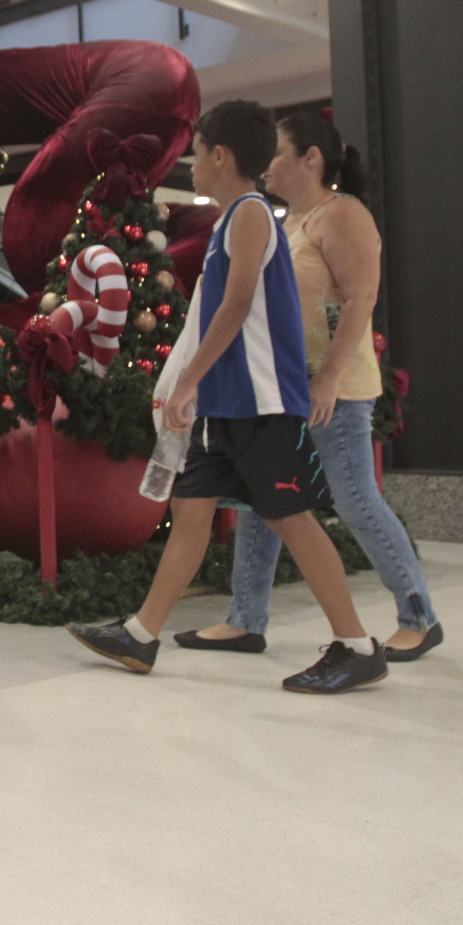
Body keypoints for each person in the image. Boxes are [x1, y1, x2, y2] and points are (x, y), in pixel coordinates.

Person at [66, 99, 387, 694]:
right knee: (191, 512)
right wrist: (193, 386)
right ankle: (140, 634)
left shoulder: (249, 215)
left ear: (219, 155)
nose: (191, 164)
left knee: (291, 519)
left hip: (261, 405)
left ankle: (358, 646)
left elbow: (236, 307)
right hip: (227, 405)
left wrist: (187, 381)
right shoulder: (234, 221)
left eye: (195, 152)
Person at [179, 113, 442, 660]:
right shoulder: (286, 220)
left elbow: (361, 300)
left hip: (333, 390)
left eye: (277, 153)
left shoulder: (342, 214)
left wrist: (328, 380)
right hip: (286, 388)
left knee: (355, 501)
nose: (267, 164)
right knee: (264, 501)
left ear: (312, 159)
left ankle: (418, 616)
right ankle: (245, 620)